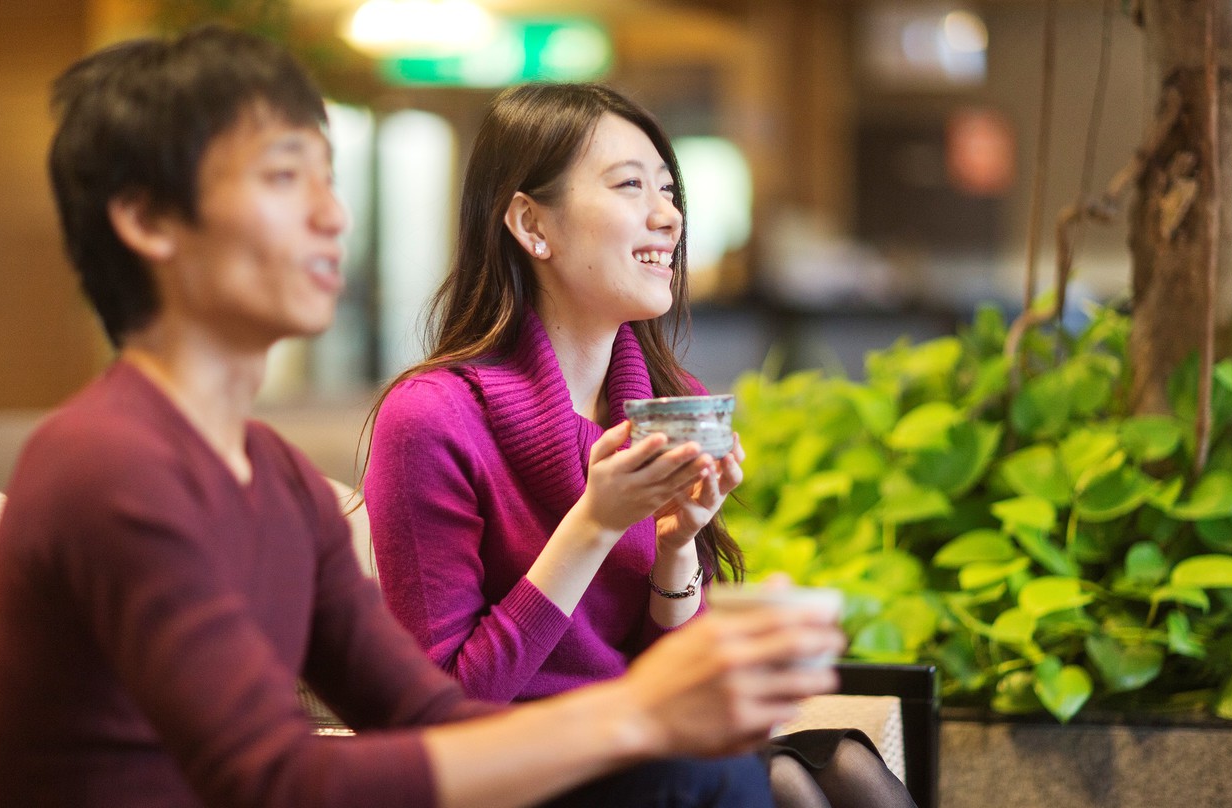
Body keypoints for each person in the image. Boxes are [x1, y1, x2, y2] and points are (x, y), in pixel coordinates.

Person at [0, 26, 846, 808]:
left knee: (778, 767)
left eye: (328, 178)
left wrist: (684, 664)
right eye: (284, 178)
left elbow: (434, 718)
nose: (334, 216)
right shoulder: (107, 463)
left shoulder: (273, 476)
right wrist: (641, 713)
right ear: (148, 220)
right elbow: (268, 782)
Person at [362, 83, 917, 808]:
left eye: (667, 188)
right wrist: (593, 525)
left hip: (644, 756)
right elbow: (444, 711)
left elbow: (679, 677)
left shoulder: (669, 399)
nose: (669, 216)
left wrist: (677, 545)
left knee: (840, 764)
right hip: (511, 774)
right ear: (532, 225)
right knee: (731, 777)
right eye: (631, 186)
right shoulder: (433, 419)